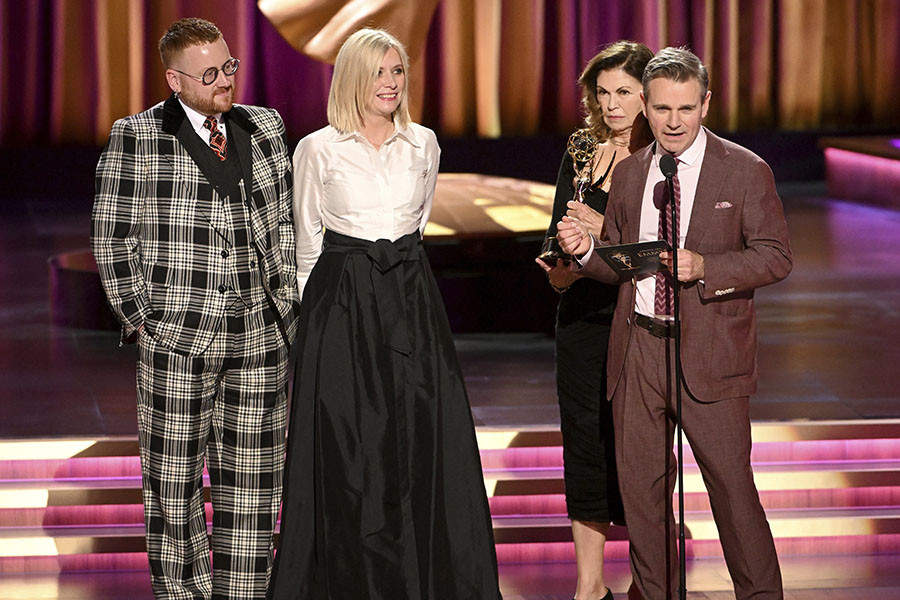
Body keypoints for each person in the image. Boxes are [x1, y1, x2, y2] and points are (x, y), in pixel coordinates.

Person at [268, 28, 502, 600]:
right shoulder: (317, 149)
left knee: (420, 431)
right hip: (341, 304)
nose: (391, 83)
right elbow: (304, 245)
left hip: (410, 302)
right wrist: (315, 328)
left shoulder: (423, 144)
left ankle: (422, 576)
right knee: (347, 441)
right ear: (352, 76)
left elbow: (416, 226)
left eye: (397, 72)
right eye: (379, 72)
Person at [556, 47, 791, 599]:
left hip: (711, 356)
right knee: (642, 499)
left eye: (685, 108)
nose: (673, 122)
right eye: (661, 109)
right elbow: (618, 258)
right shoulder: (635, 172)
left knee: (733, 495)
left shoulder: (745, 169)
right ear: (648, 106)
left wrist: (707, 266)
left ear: (705, 103)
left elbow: (776, 256)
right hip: (638, 349)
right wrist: (586, 250)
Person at [90, 17, 299, 599]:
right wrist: (146, 324)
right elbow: (112, 239)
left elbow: (285, 218)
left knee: (255, 486)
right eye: (210, 74)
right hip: (178, 339)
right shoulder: (137, 136)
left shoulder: (264, 127)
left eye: (229, 66)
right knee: (174, 487)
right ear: (175, 79)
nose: (225, 81)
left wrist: (284, 301)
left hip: (260, 333)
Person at [536, 41, 653, 600]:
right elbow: (557, 224)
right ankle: (589, 586)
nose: (611, 104)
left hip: (635, 317)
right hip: (580, 316)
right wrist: (559, 260)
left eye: (623, 93)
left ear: (648, 94)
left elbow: (660, 248)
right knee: (583, 443)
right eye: (602, 93)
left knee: (634, 446)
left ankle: (647, 578)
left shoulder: (663, 157)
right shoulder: (583, 146)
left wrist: (602, 229)